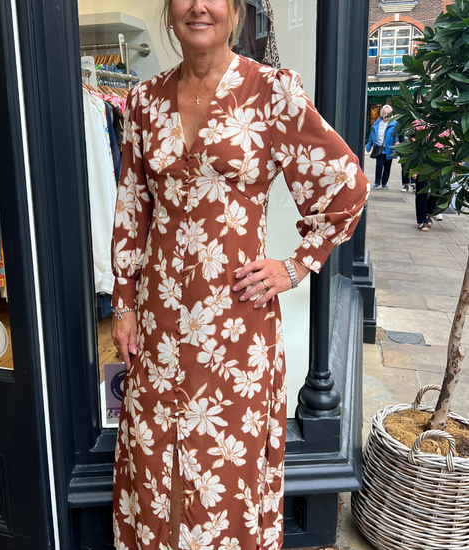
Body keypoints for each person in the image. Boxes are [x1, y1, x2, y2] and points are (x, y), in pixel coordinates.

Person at [110, 1, 369, 548]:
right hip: (157, 326)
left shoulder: (271, 92)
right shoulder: (142, 101)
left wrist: (295, 265)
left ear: (234, 10)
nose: (197, 6)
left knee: (226, 467)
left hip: (235, 327)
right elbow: (132, 207)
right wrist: (125, 304)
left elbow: (346, 186)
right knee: (154, 459)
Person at [366, 105, 397, 189]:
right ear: (381, 114)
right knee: (379, 165)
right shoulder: (376, 123)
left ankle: (384, 182)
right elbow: (372, 135)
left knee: (387, 167)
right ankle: (377, 182)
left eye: (388, 113)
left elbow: (396, 136)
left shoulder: (394, 124)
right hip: (379, 148)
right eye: (384, 113)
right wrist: (369, 145)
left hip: (389, 148)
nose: (386, 114)